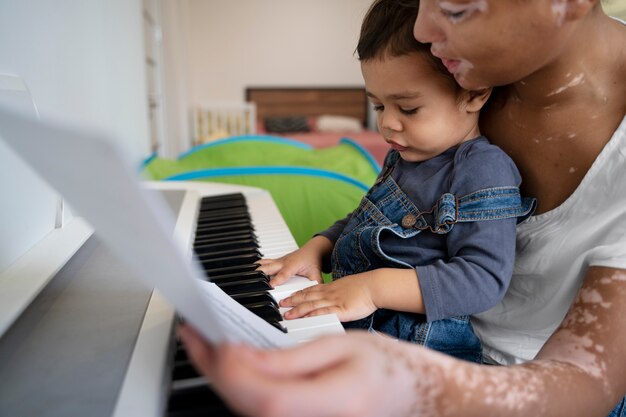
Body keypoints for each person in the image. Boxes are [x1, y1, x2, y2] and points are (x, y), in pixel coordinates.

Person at [180, 0, 626, 416]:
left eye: (455, 7)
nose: (422, 27)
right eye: (378, 106)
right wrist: (318, 246)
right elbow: (370, 215)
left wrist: (400, 355)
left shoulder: (475, 149)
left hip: (465, 362)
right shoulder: (430, 116)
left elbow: (581, 369)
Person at [255, 0, 534, 363]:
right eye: (378, 106)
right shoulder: (402, 154)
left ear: (474, 92)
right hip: (364, 327)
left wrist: (372, 288)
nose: (387, 124)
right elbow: (363, 220)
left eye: (408, 108)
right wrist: (317, 248)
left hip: (418, 354)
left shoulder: (482, 169)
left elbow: (483, 280)